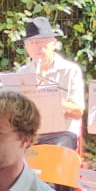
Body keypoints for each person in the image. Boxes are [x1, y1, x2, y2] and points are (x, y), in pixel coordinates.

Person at [17, 16, 86, 152]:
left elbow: (78, 111)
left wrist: (49, 99)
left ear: (53, 44)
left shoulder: (70, 70)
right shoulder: (22, 73)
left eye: (41, 42)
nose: (37, 47)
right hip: (31, 133)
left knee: (56, 152)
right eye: (32, 43)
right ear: (26, 47)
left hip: (62, 132)